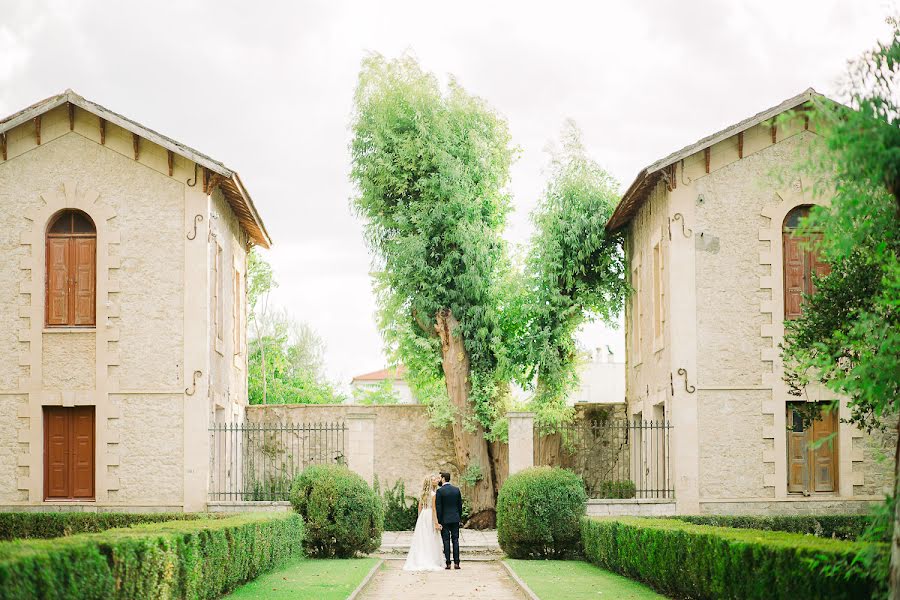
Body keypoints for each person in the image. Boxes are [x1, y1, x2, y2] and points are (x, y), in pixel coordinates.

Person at [402, 473, 444, 571]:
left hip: (423, 516)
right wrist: (436, 522)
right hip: (429, 515)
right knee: (430, 537)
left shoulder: (422, 494)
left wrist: (419, 518)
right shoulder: (434, 494)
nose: (435, 481)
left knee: (422, 537)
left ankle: (419, 559)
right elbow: (433, 509)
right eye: (433, 480)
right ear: (430, 482)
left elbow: (419, 507)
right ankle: (430, 559)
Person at [434, 470, 463, 570]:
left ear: (443, 478)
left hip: (444, 520)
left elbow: (439, 507)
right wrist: (459, 517)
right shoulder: (456, 490)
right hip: (455, 518)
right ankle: (457, 563)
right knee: (456, 540)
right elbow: (460, 506)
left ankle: (448, 563)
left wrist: (439, 520)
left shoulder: (440, 491)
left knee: (446, 541)